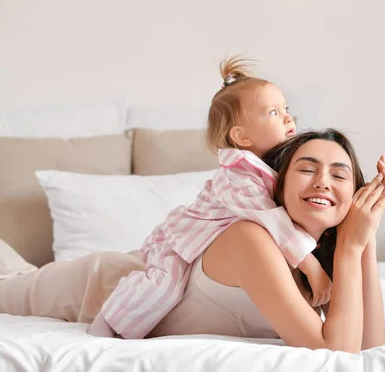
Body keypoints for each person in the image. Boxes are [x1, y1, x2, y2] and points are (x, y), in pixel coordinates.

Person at [0, 128, 385, 353]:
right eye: (308, 169)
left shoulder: (324, 258)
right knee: (5, 287)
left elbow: (370, 347)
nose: (323, 180)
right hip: (104, 284)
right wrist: (352, 246)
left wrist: (364, 237)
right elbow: (335, 354)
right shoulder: (250, 237)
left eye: (339, 176)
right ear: (279, 186)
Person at [89, 56, 331, 339]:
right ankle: (105, 328)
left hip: (215, 246)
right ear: (241, 136)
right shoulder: (239, 174)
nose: (289, 117)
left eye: (286, 108)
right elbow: (273, 220)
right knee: (160, 289)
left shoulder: (273, 166)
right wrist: (310, 265)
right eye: (273, 113)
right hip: (181, 242)